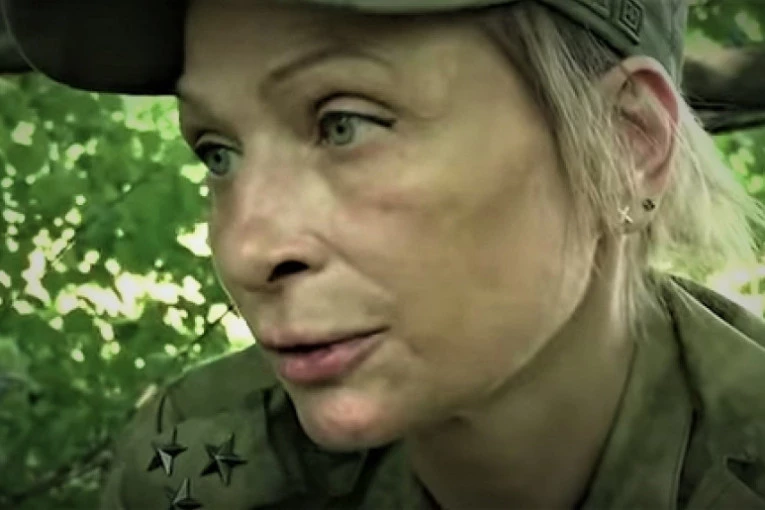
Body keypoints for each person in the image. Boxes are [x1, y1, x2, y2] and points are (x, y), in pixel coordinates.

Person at [4, 0, 765, 508]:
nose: (244, 249)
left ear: (626, 146)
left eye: (344, 124)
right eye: (218, 153)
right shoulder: (195, 462)